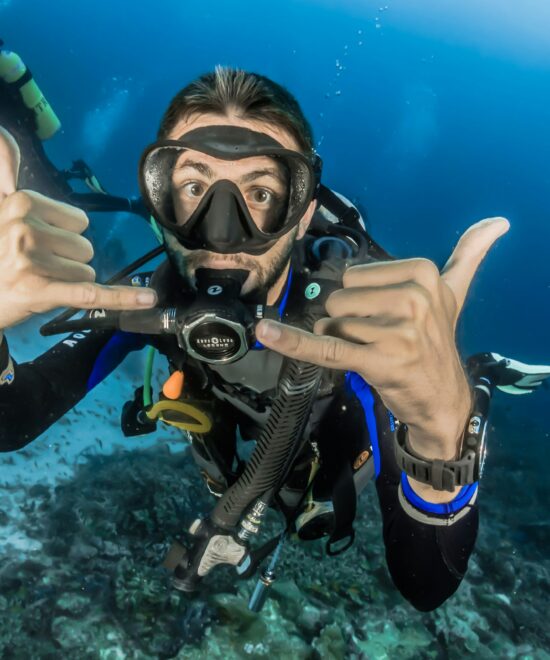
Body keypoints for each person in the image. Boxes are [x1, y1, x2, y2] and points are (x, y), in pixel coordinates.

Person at [0, 64, 545, 612]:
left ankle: (473, 380)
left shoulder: (355, 331)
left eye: (260, 193)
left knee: (404, 428)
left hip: (328, 455)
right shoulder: (147, 299)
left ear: (303, 214)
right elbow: (14, 415)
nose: (222, 231)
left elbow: (425, 581)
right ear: (160, 201)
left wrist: (442, 437)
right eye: (194, 187)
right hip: (241, 456)